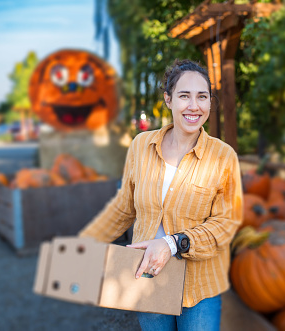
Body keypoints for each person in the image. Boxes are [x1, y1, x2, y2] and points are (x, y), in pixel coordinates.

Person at [79, 59, 243, 331]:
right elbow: (123, 208)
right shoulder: (142, 145)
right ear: (168, 99)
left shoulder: (223, 156)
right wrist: (85, 244)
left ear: (210, 103)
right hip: (148, 277)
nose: (194, 106)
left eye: (202, 96)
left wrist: (172, 243)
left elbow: (225, 224)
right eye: (184, 96)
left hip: (199, 286)